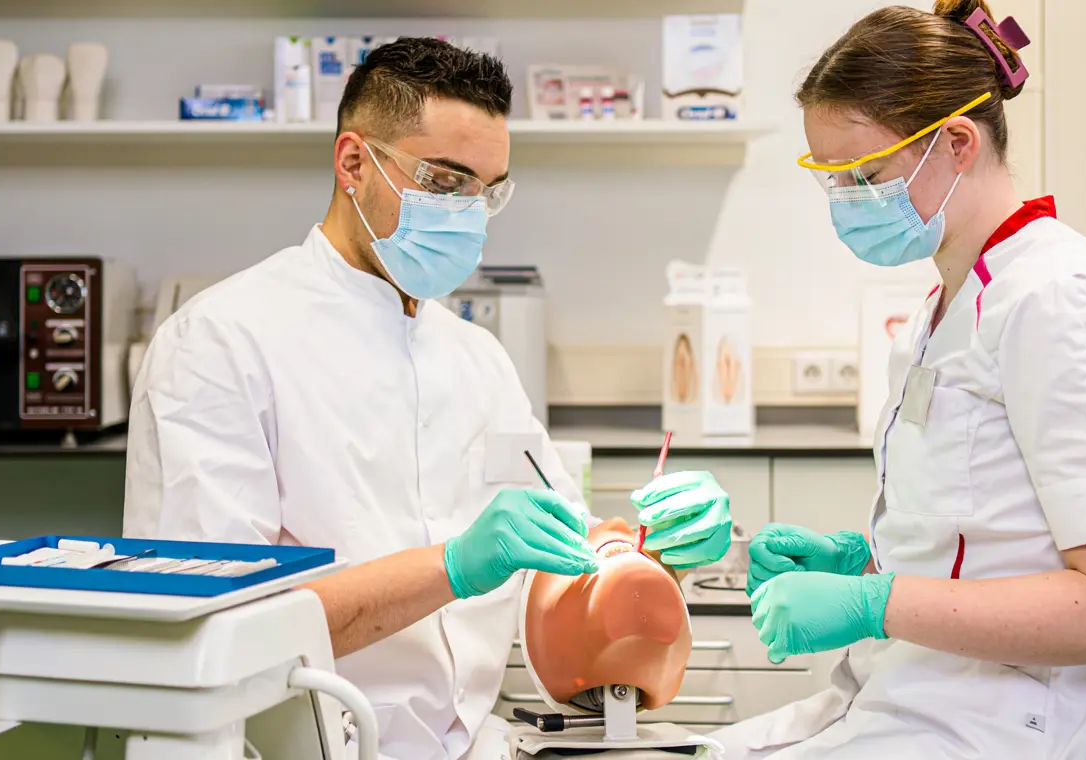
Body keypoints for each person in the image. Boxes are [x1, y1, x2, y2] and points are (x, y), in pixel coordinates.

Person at [121, 38, 732, 760]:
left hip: (474, 743)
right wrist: (454, 566)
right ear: (354, 163)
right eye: (445, 181)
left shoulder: (478, 359)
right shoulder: (219, 344)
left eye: (488, 190)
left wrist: (650, 556)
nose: (469, 211)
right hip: (298, 746)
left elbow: (561, 568)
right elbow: (219, 628)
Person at [710, 2, 1086, 758]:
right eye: (833, 180)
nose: (848, 202)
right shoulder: (948, 308)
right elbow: (988, 542)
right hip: (915, 701)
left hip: (1008, 729)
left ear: (957, 143)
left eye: (866, 175)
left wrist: (874, 601)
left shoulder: (1065, 303)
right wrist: (860, 562)